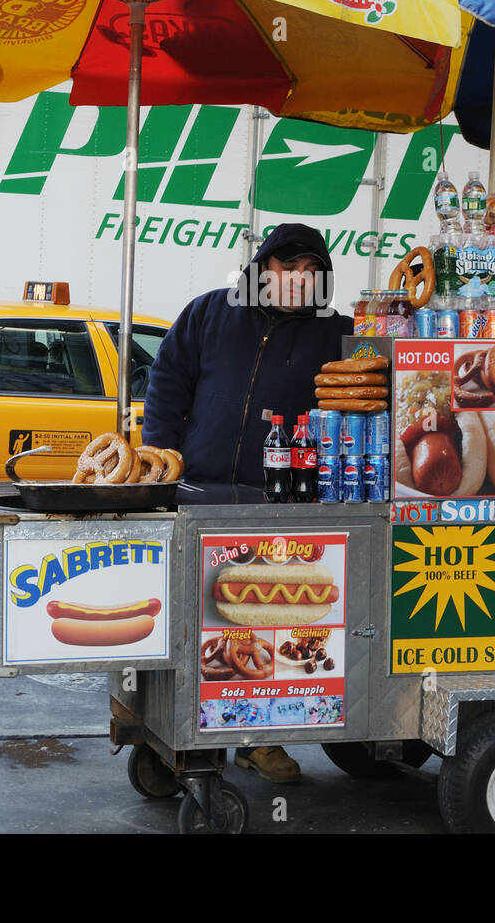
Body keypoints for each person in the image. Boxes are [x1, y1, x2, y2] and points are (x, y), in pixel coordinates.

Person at [142, 222, 353, 784]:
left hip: (278, 501)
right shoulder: (209, 312)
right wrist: (161, 460)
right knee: (188, 622)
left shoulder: (338, 335)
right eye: (287, 267)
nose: (297, 279)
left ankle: (259, 739)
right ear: (263, 269)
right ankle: (171, 730)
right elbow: (166, 384)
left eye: (311, 271)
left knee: (262, 625)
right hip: (196, 493)